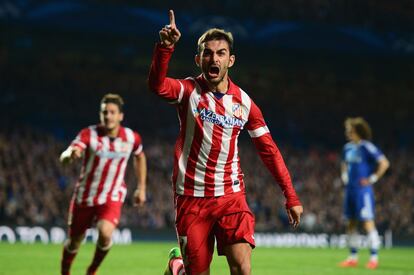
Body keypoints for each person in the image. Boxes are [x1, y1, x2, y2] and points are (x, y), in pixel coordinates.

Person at [148, 10, 303, 275]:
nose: (214, 57)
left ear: (230, 60)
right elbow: (158, 86)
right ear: (198, 59)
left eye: (220, 53)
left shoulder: (244, 103)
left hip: (231, 197)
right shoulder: (188, 91)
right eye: (207, 53)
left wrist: (291, 195)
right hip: (191, 198)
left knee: (242, 268)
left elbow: (269, 151)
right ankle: (178, 266)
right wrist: (165, 48)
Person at [59, 93, 147, 275]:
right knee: (75, 241)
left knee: (106, 233)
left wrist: (141, 187)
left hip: (111, 195)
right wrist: (69, 155)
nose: (108, 116)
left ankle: (92, 270)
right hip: (85, 196)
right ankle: (65, 272)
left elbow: (140, 156)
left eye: (112, 112)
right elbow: (68, 153)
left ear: (120, 116)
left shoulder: (131, 137)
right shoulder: (89, 134)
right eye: (104, 112)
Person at [339, 117, 389, 270]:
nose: (347, 133)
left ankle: (374, 258)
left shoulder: (367, 147)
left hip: (363, 191)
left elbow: (384, 163)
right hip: (350, 190)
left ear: (357, 131)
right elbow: (343, 164)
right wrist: (345, 176)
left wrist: (372, 178)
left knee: (367, 222)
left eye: (350, 130)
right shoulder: (347, 148)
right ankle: (353, 257)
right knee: (351, 224)